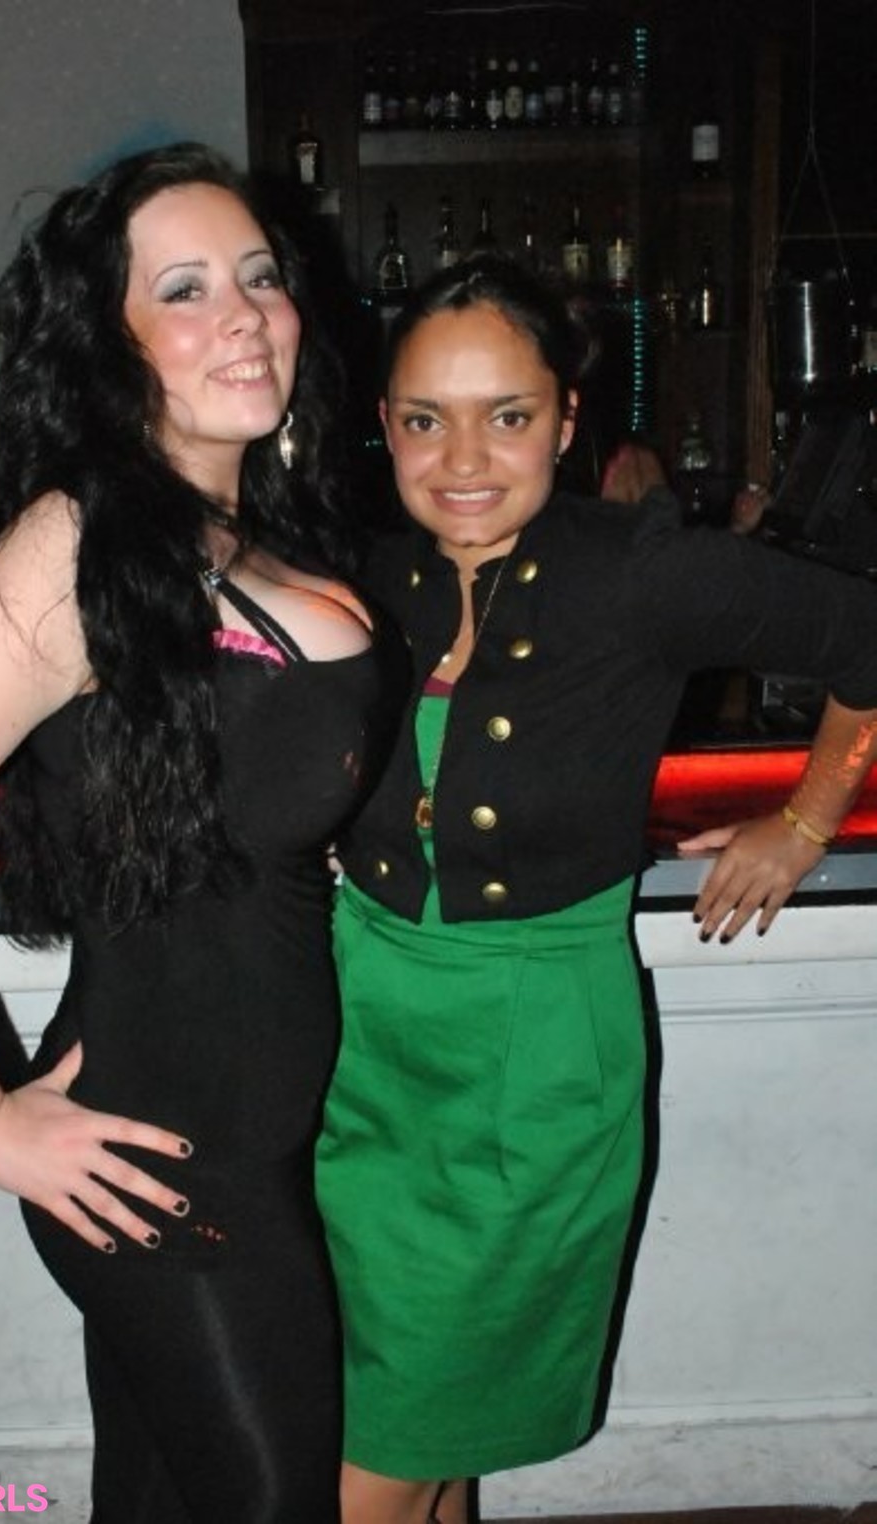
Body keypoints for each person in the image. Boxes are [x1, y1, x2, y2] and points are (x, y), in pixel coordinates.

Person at [0, 142, 395, 1523]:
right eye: (184, 289)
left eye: (259, 276)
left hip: (243, 1150)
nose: (242, 315)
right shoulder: (79, 546)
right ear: (107, 343)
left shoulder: (252, 535)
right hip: (163, 1173)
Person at [313, 253, 877, 1524]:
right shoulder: (360, 569)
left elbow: (865, 644)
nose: (463, 459)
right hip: (362, 1058)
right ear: (384, 426)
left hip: (534, 1066)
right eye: (425, 420)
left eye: (506, 416)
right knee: (421, 1433)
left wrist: (803, 822)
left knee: (371, 1467)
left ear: (566, 422)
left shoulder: (641, 569)